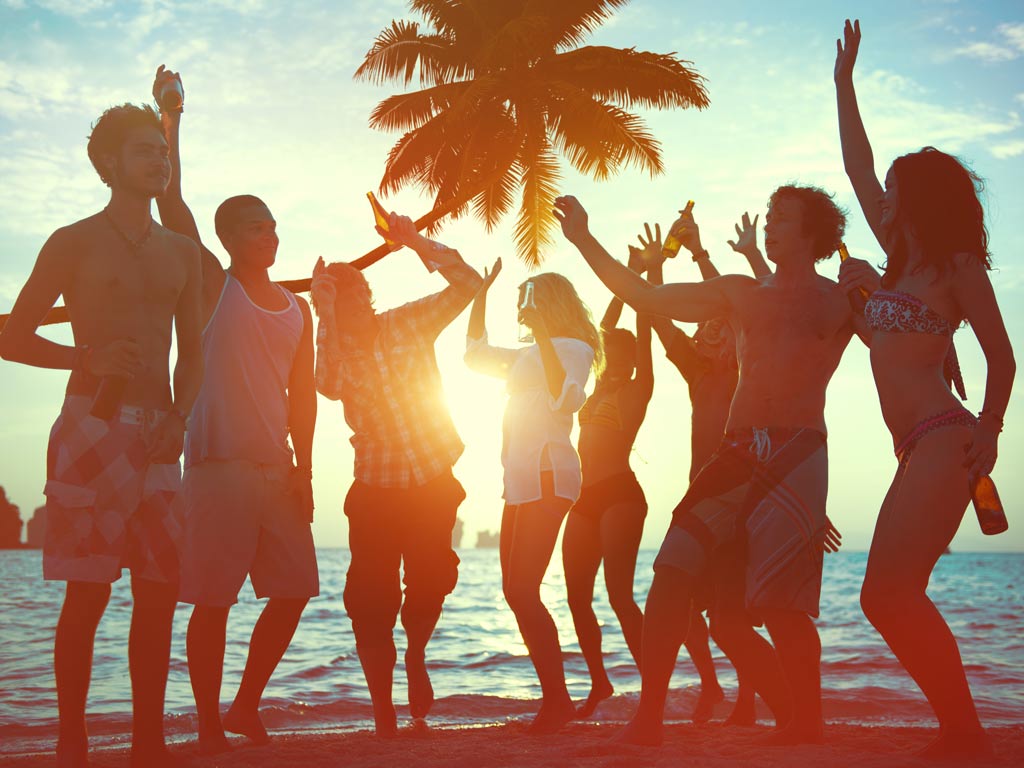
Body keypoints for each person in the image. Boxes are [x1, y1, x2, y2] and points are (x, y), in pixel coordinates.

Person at [555, 186, 855, 747]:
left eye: (782, 219)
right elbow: (646, 296)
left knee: (782, 609)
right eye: (769, 217)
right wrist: (582, 238)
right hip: (736, 449)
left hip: (799, 451)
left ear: (813, 233)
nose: (770, 226)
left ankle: (806, 723)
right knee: (670, 569)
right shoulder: (741, 293)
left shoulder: (842, 300)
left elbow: (906, 337)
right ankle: (648, 719)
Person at [0, 101, 203, 767]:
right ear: (110, 163)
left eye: (163, 152)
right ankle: (71, 742)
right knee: (87, 592)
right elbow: (12, 335)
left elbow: (194, 352)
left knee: (159, 593)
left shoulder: (182, 253)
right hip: (92, 426)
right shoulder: (72, 241)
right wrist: (81, 358)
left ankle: (148, 742)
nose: (159, 160)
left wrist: (179, 417)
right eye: (146, 150)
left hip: (159, 437)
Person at [834, 20, 1015, 758]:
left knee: (888, 595)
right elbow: (856, 165)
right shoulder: (898, 266)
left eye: (894, 189)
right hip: (914, 448)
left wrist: (990, 431)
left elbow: (1002, 360)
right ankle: (963, 731)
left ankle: (964, 735)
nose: (883, 195)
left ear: (920, 200)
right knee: (887, 596)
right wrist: (843, 84)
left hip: (947, 440)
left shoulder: (956, 268)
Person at [151, 66, 319, 754]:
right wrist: (172, 119)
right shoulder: (214, 287)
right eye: (256, 229)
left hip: (276, 472)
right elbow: (173, 205)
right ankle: (209, 723)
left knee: (295, 590)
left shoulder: (299, 308)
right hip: (215, 467)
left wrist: (306, 467)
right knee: (212, 601)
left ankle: (247, 704)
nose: (270, 237)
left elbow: (303, 394)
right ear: (229, 239)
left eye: (274, 227)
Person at [312, 215, 482, 736]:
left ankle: (416, 652)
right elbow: (327, 385)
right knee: (369, 602)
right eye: (340, 305)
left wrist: (414, 243)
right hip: (375, 489)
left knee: (431, 581)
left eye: (356, 297)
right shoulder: (336, 352)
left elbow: (471, 285)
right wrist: (323, 315)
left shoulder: (407, 322)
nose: (352, 308)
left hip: (432, 480)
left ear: (368, 296)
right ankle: (384, 711)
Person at [642, 210, 773, 727]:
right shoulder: (697, 374)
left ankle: (746, 699)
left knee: (731, 612)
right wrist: (655, 270)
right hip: (703, 493)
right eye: (703, 332)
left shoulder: (752, 372)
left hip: (745, 496)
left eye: (714, 329)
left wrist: (702, 254)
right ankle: (713, 688)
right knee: (685, 598)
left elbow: (745, 306)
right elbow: (659, 315)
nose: (703, 335)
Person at [465, 263, 602, 734]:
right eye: (520, 298)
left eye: (529, 297)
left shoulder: (575, 348)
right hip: (519, 476)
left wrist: (543, 336)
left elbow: (565, 396)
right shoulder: (523, 355)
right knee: (513, 590)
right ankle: (556, 699)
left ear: (551, 302)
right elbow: (474, 355)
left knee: (523, 589)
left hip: (550, 469)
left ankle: (557, 701)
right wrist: (479, 295)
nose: (522, 307)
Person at [561, 245, 652, 719]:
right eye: (610, 356)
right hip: (585, 497)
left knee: (619, 595)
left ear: (634, 360)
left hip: (621, 494)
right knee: (577, 595)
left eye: (623, 356)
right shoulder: (596, 387)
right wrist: (627, 273)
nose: (615, 361)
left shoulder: (640, 388)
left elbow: (641, 328)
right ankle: (600, 683)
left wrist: (641, 286)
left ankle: (652, 688)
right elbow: (598, 336)